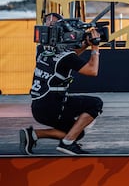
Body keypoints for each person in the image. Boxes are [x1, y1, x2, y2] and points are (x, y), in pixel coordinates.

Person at [19, 13, 103, 156]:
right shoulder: (66, 57)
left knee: (77, 132)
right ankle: (67, 144)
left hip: (39, 107)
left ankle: (33, 135)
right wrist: (95, 48)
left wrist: (85, 44)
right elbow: (92, 71)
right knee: (95, 104)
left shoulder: (41, 50)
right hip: (53, 106)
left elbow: (67, 57)